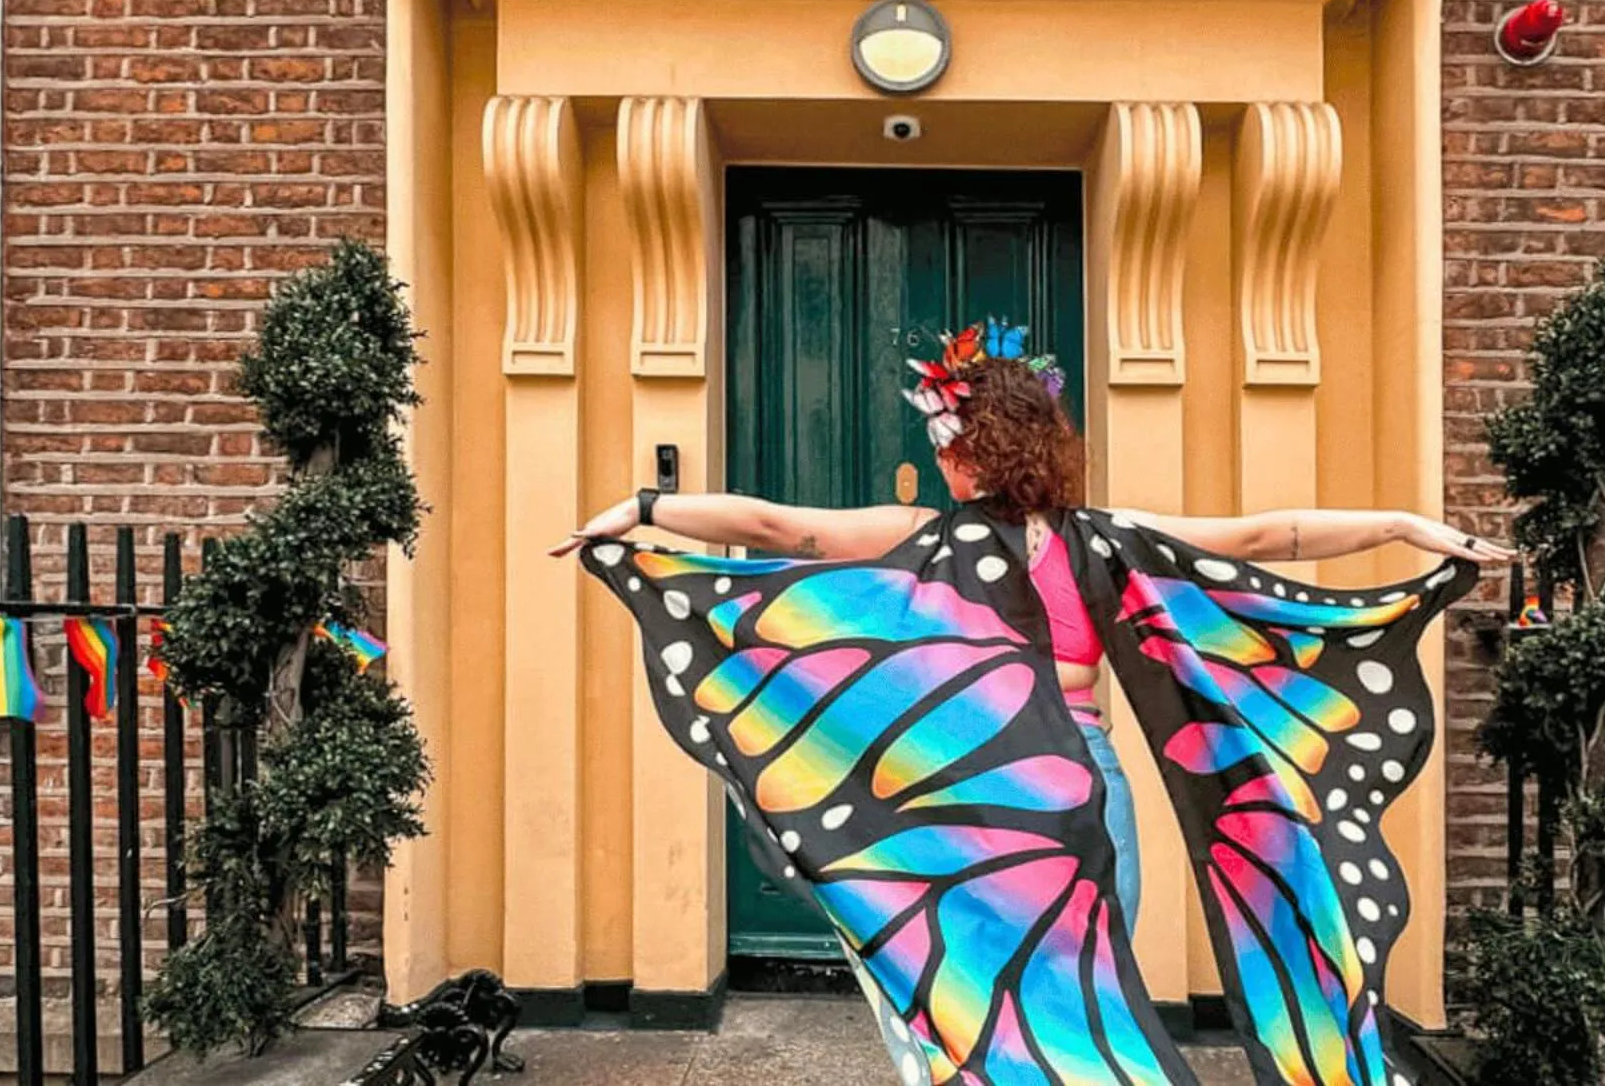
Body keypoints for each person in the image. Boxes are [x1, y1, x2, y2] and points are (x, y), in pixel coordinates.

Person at [554, 321, 1511, 1085]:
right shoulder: (1107, 538)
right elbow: (1273, 535)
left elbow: (775, 528)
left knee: (975, 1005)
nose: (941, 463)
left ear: (968, 453)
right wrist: (1403, 525)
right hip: (1089, 796)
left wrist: (642, 511)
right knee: (1083, 1005)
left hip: (974, 809)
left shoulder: (924, 535)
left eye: (945, 446)